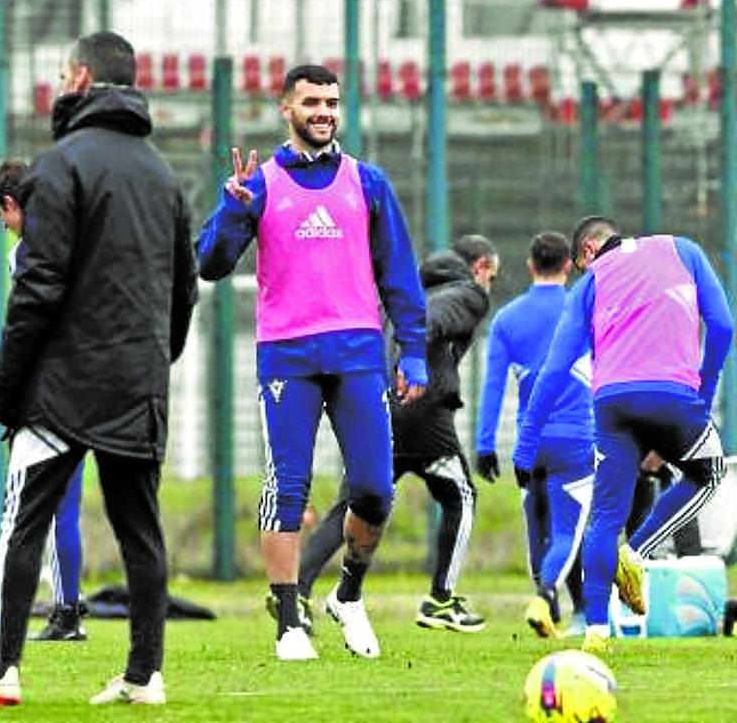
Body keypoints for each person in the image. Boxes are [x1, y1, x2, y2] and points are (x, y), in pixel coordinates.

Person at [0, 30, 197, 706]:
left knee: (23, 525)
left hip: (60, 388)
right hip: (136, 382)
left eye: (60, 71)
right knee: (141, 530)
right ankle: (146, 676)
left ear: (78, 77)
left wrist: (10, 386)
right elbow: (184, 292)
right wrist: (151, 361)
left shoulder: (59, 165)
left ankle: (6, 671)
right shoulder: (164, 176)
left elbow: (40, 284)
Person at [197, 63, 427, 662]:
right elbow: (210, 264)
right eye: (312, 102)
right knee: (287, 488)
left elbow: (398, 274)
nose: (324, 111)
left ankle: (348, 595)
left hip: (357, 353)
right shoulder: (260, 184)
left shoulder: (367, 182)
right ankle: (288, 622)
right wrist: (231, 210)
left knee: (375, 490)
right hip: (287, 356)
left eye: (332, 101)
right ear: (286, 109)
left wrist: (416, 352)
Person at [514, 216, 733, 654]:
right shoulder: (683, 249)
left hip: (612, 404)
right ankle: (635, 554)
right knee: (706, 473)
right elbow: (723, 326)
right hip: (674, 396)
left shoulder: (590, 284)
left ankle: (597, 631)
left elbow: (554, 369)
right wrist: (703, 396)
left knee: (604, 517)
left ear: (588, 253)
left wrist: (525, 444)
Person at [296, 236, 497, 635]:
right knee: (461, 496)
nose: (489, 281)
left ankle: (297, 593)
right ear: (478, 268)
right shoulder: (469, 295)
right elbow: (428, 323)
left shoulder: (404, 296)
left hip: (381, 411)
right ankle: (441, 598)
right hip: (424, 417)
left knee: (352, 506)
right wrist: (412, 362)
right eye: (491, 272)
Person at [0, 158, 87, 642]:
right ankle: (71, 608)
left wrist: (12, 391)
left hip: (54, 391)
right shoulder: (84, 234)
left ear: (10, 204)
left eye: (2, 218)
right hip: (102, 381)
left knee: (41, 506)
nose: (5, 228)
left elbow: (27, 326)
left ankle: (64, 613)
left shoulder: (28, 254)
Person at [474, 231, 593, 638]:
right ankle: (545, 597)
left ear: (530, 266)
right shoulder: (583, 310)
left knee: (537, 527)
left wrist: (485, 444)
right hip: (574, 438)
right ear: (567, 266)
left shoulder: (507, 318)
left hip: (529, 442)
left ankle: (552, 604)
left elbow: (492, 386)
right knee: (568, 531)